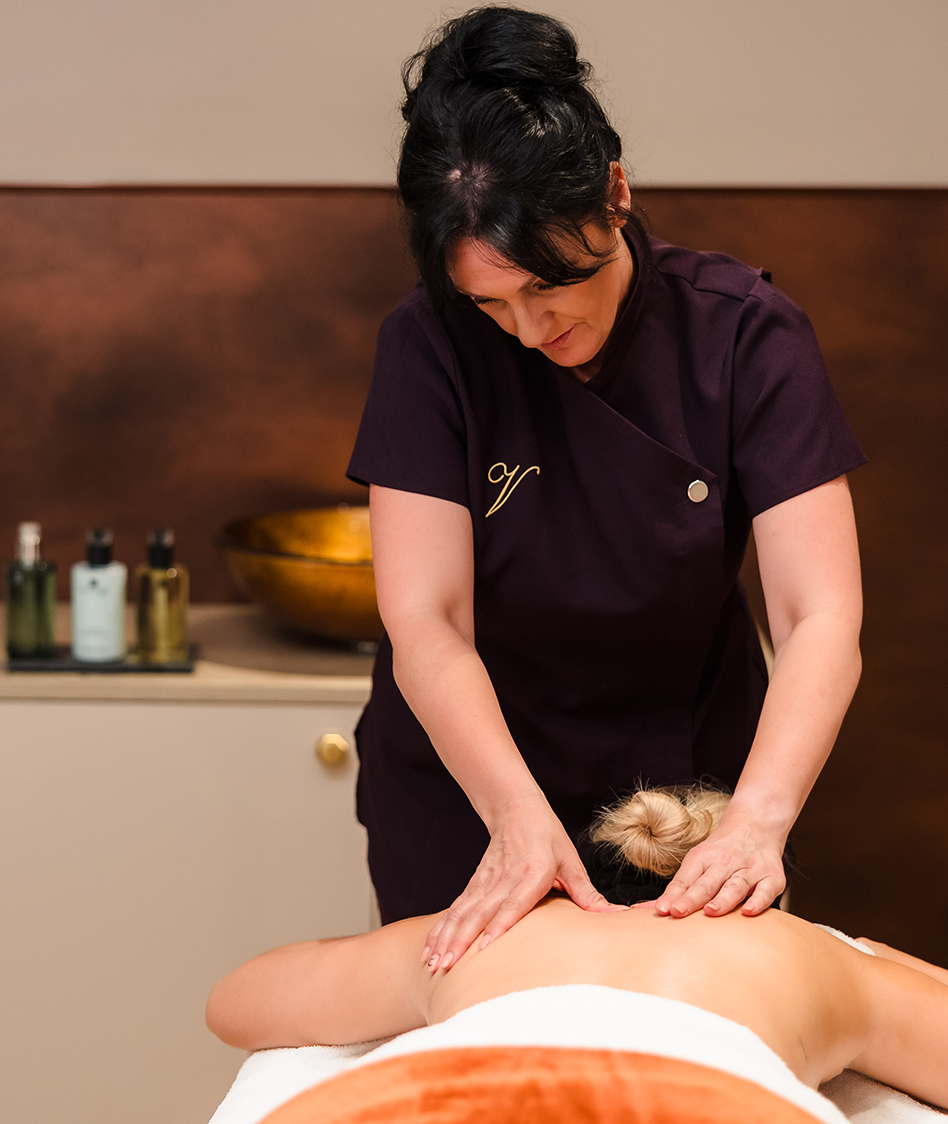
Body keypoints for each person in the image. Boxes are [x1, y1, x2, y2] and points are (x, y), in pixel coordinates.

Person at [347, 5, 868, 972]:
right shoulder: (427, 347)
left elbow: (819, 615)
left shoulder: (744, 333)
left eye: (550, 287)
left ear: (615, 195)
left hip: (686, 786)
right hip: (471, 777)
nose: (527, 330)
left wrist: (756, 820)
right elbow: (427, 620)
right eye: (490, 303)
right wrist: (513, 817)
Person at [206, 788, 948, 1124]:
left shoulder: (486, 929)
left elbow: (238, 1005)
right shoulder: (814, 958)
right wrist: (883, 963)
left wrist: (403, 948)